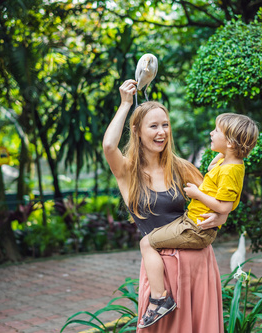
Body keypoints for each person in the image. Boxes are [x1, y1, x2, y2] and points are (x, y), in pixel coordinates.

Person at [103, 79, 226, 332]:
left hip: (198, 264)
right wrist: (126, 103)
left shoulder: (180, 167)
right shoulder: (128, 172)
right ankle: (160, 300)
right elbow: (108, 146)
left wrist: (220, 219)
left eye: (165, 125)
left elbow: (217, 200)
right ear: (137, 131)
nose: (162, 132)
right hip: (162, 269)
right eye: (154, 126)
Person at [137, 112, 258, 327]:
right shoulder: (227, 162)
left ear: (230, 143)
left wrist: (198, 194)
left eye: (217, 131)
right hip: (191, 222)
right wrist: (220, 158)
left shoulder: (231, 170)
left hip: (195, 228)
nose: (212, 133)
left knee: (146, 243)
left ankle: (160, 298)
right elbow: (223, 170)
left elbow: (225, 205)